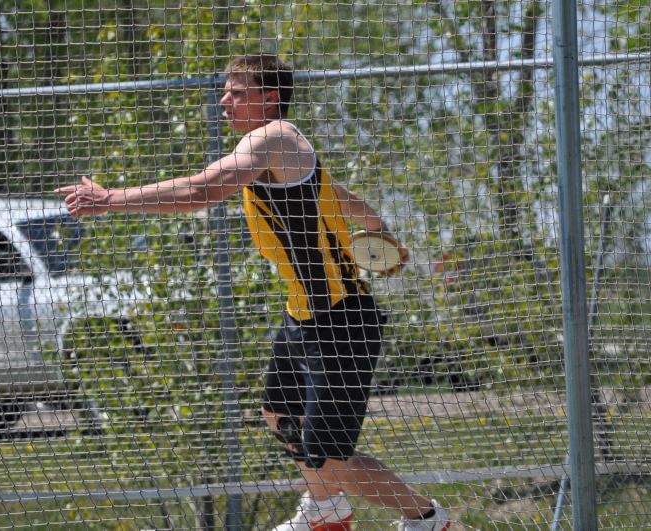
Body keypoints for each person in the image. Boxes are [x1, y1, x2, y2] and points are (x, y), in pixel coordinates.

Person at [54, 53, 451, 531]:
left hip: (343, 320)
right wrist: (383, 237)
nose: (225, 100)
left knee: (329, 458)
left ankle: (426, 519)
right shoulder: (280, 155)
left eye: (237, 92)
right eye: (226, 90)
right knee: (279, 416)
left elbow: (202, 192)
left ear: (271, 98)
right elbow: (344, 197)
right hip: (303, 316)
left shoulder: (274, 137)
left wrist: (110, 200)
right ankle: (327, 510)